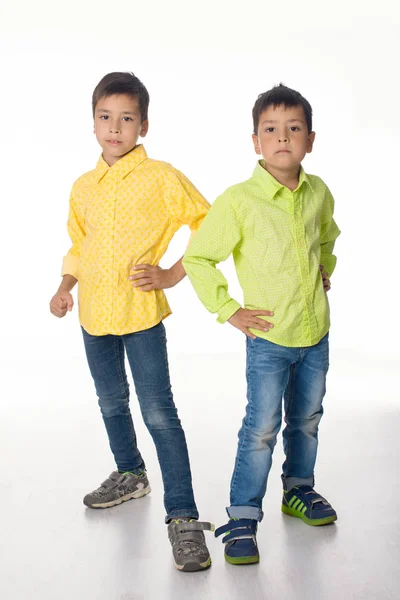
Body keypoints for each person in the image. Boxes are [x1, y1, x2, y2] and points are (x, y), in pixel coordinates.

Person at [49, 71, 213, 572]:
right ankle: (130, 472)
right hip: (94, 314)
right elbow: (80, 244)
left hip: (140, 313)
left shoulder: (161, 176)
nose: (114, 127)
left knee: (159, 410)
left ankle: (183, 516)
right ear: (93, 123)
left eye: (126, 119)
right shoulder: (83, 186)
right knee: (110, 401)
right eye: (105, 117)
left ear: (144, 125)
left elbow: (208, 221)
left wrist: (171, 274)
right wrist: (64, 286)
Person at [183, 84, 340, 565]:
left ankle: (298, 490)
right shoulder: (238, 201)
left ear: (310, 139)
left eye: (294, 129)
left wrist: (324, 268)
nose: (283, 138)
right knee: (261, 428)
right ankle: (242, 515)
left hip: (315, 335)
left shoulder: (318, 193)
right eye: (271, 130)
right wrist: (230, 310)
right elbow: (198, 257)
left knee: (308, 419)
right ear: (255, 141)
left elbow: (327, 235)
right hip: (269, 339)